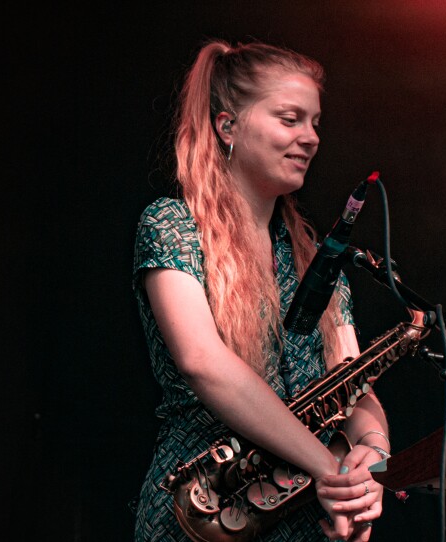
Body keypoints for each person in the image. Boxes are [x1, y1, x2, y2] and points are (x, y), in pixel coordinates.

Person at [132, 38, 391, 542]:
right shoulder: (172, 224)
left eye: (315, 123)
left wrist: (369, 462)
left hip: (304, 514)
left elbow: (352, 381)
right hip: (203, 514)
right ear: (229, 125)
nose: (312, 137)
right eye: (290, 118)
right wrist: (330, 469)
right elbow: (203, 363)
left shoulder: (313, 252)